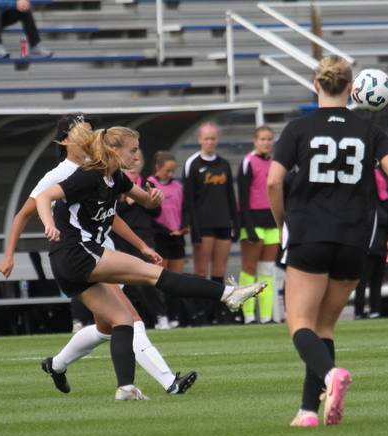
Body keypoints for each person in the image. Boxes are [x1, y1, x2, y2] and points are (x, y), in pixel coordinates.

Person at [35, 125, 267, 400]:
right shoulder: (88, 176)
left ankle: (125, 388)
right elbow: (43, 196)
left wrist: (153, 199)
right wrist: (49, 224)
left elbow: (146, 202)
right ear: (113, 150)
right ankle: (229, 294)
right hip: (76, 252)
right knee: (153, 274)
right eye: (132, 151)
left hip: (71, 261)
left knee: (121, 322)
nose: (137, 157)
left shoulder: (116, 178)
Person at [0, 115, 197, 397]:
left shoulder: (101, 168)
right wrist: (9, 255)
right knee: (129, 318)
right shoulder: (61, 174)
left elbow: (110, 215)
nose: (93, 136)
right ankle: (168, 382)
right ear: (67, 140)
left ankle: (56, 365)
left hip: (103, 252)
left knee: (106, 328)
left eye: (93, 131)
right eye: (85, 132)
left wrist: (141, 245)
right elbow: (23, 214)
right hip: (84, 257)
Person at [266, 55, 388, 427]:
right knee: (324, 327)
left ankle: (331, 377)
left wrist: (283, 223)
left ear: (316, 85)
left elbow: (272, 181)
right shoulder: (371, 131)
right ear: (351, 88)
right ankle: (308, 411)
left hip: (310, 234)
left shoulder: (298, 128)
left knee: (299, 324)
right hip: (354, 238)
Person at [182, 123, 240, 324]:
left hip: (223, 223)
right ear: (199, 139)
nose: (210, 142)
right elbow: (188, 200)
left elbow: (230, 197)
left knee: (219, 271)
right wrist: (194, 230)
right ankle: (199, 315)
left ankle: (218, 314)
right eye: (206, 138)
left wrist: (236, 224)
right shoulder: (192, 163)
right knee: (200, 271)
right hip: (203, 225)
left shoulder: (224, 164)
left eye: (213, 138)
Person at [113, 149, 172, 330]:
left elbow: (156, 212)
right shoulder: (115, 183)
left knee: (149, 278)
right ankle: (133, 319)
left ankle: (161, 317)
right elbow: (111, 214)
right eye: (132, 156)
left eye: (138, 159)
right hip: (120, 238)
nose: (135, 162)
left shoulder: (146, 184)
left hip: (144, 237)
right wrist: (125, 201)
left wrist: (150, 201)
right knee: (124, 282)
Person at [237, 125, 279, 324]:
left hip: (272, 222)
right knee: (249, 268)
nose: (266, 143)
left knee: (267, 270)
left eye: (269, 139)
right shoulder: (247, 162)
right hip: (253, 221)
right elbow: (243, 198)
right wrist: (248, 225)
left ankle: (266, 316)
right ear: (255, 141)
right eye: (262, 139)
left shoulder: (275, 163)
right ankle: (248, 315)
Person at [147, 151, 190, 327]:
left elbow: (185, 209)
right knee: (161, 279)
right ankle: (161, 316)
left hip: (177, 237)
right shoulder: (150, 184)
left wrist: (183, 228)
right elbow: (148, 215)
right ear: (157, 168)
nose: (171, 174)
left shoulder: (178, 186)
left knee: (176, 280)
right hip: (160, 237)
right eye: (167, 170)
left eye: (173, 170)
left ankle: (175, 317)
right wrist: (165, 231)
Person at [353, 167, 388, 319]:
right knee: (364, 275)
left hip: (381, 230)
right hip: (370, 227)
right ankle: (359, 310)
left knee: (377, 274)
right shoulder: (365, 171)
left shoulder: (381, 170)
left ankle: (376, 309)